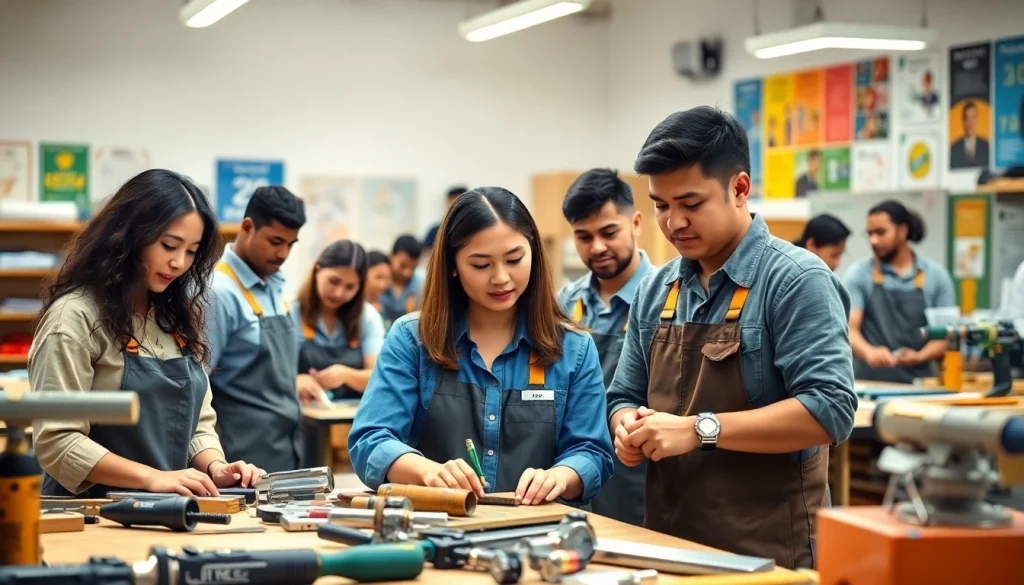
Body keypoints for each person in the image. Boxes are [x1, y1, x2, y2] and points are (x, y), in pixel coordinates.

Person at [606, 107, 856, 569]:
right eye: (662, 205)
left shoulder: (796, 280)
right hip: (670, 545)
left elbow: (830, 409)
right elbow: (622, 394)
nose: (674, 222)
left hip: (767, 554)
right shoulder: (656, 290)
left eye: (691, 203)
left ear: (739, 188)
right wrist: (627, 427)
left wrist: (699, 429)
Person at [348, 187, 614, 506]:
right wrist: (427, 472)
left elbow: (592, 452)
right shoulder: (412, 338)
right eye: (481, 265)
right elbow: (370, 440)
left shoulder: (575, 348)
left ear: (534, 253)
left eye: (515, 259)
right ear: (452, 265)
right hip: (438, 531)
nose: (501, 278)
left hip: (538, 535)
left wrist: (561, 476)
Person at [30, 169, 262, 498]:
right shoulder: (75, 317)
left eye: (192, 251)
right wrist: (152, 478)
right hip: (91, 516)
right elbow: (58, 441)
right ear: (130, 235)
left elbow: (196, 423)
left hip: (167, 510)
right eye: (169, 245)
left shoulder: (174, 317)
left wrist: (214, 467)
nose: (179, 263)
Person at [556, 168, 654, 526]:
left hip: (639, 478)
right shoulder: (563, 304)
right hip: (572, 475)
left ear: (636, 223)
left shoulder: (667, 300)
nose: (597, 247)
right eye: (583, 236)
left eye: (609, 232)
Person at [208, 186, 307, 473]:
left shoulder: (274, 283)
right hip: (240, 459)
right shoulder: (217, 292)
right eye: (275, 241)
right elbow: (196, 387)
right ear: (248, 227)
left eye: (291, 244)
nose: (283, 253)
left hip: (286, 448)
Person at [844, 200, 956, 384]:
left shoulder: (936, 276)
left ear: (903, 231)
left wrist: (920, 356)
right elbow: (850, 329)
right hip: (869, 386)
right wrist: (869, 352)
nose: (873, 240)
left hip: (921, 387)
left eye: (881, 232)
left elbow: (947, 335)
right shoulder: (859, 274)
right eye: (870, 234)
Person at [293, 240, 386, 404]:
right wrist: (296, 380)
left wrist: (346, 375)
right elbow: (274, 374)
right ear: (317, 271)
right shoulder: (291, 314)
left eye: (350, 287)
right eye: (333, 281)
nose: (339, 293)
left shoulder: (368, 318)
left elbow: (379, 377)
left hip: (355, 419)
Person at [380, 235, 424, 324]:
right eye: (402, 265)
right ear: (391, 256)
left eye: (413, 268)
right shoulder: (378, 279)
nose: (407, 273)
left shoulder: (421, 284)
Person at [950, 100, 990, 168]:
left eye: (973, 117)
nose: (970, 122)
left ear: (977, 119)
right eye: (967, 118)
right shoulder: (953, 149)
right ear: (963, 121)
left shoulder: (986, 146)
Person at [365, 250, 393, 323]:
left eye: (387, 279)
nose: (383, 284)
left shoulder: (385, 303)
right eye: (378, 277)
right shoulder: (356, 307)